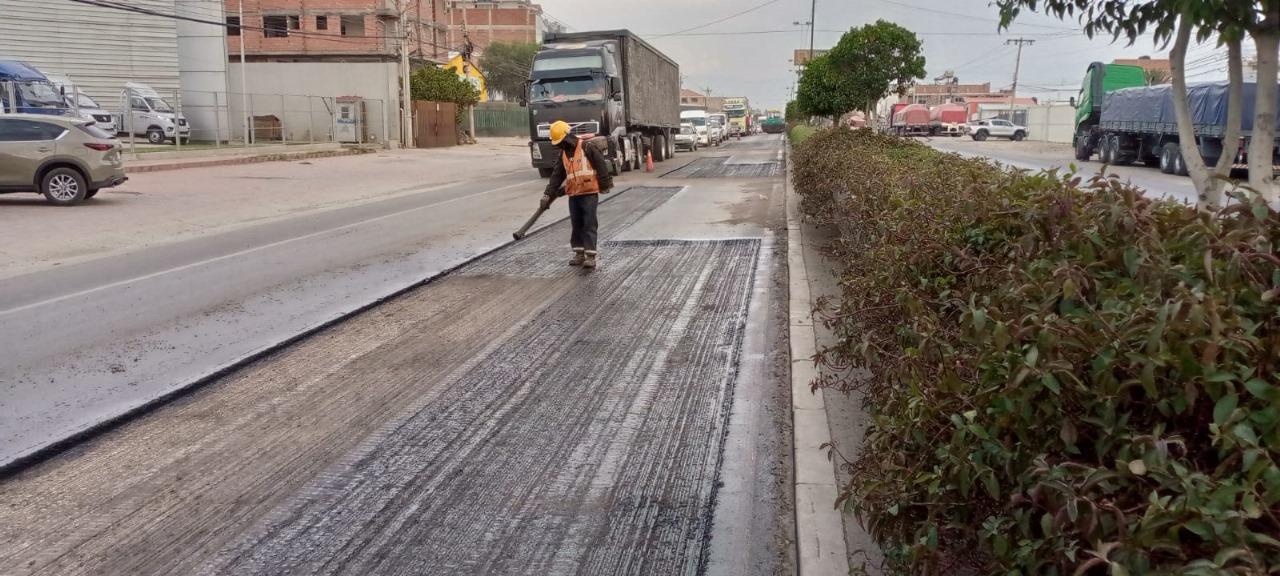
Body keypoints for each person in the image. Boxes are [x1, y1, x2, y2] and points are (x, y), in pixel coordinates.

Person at [541, 120, 614, 269]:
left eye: (561, 142)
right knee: (577, 224)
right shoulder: (563, 155)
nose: (560, 145)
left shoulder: (587, 147)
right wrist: (547, 195)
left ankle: (590, 256)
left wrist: (604, 185)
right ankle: (579, 253)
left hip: (589, 193)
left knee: (589, 223)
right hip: (573, 194)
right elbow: (556, 176)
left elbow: (601, 166)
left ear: (568, 137)